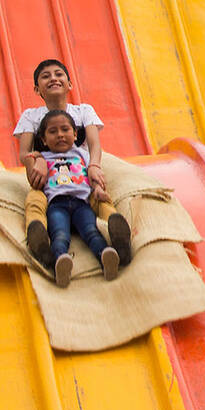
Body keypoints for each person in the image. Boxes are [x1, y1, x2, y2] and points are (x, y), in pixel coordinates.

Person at [15, 58, 131, 270]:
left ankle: (118, 234)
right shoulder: (31, 116)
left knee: (101, 196)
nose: (53, 79)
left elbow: (95, 145)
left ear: (69, 84)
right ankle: (38, 235)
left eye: (59, 74)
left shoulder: (83, 111)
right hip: (47, 180)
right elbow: (24, 153)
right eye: (45, 76)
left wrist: (94, 167)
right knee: (34, 199)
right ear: (36, 88)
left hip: (82, 176)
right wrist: (37, 159)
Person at [30, 109, 120, 287]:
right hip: (57, 205)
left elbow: (91, 174)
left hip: (81, 204)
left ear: (75, 133)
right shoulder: (44, 158)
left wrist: (98, 189)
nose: (60, 135)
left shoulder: (82, 154)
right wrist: (36, 158)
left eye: (65, 129)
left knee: (91, 232)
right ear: (43, 139)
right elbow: (32, 169)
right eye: (53, 132)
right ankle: (60, 262)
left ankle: (106, 257)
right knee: (60, 235)